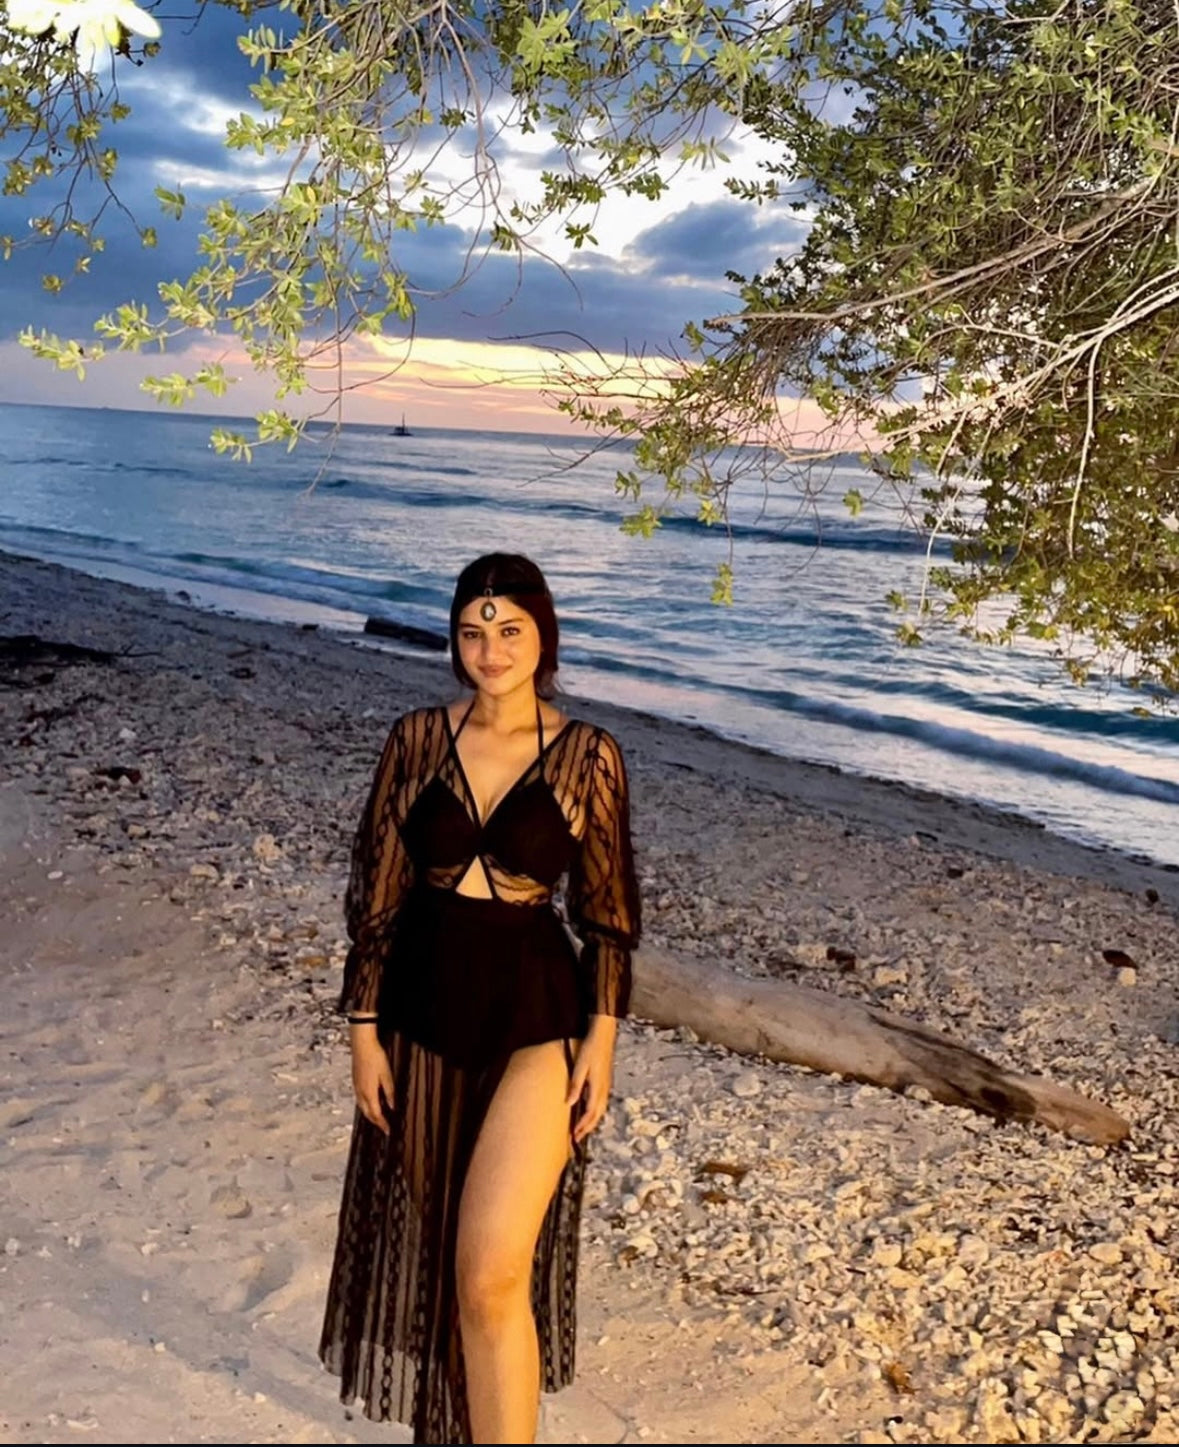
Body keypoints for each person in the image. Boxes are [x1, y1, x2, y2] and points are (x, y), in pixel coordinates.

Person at [319, 553, 641, 1445]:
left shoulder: (587, 755)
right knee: (449, 1265)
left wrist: (602, 1040)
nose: (489, 651)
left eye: (508, 630)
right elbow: (376, 896)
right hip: (420, 1008)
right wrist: (362, 1030)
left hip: (534, 1014)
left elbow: (608, 913)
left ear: (543, 636)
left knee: (493, 1271)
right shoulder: (417, 738)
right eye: (472, 632)